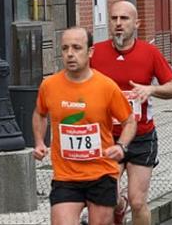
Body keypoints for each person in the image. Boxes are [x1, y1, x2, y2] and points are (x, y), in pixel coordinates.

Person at [90, 1, 172, 225]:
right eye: (114, 19)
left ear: (137, 23)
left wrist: (151, 89)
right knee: (107, 198)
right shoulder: (96, 53)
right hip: (108, 137)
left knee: (138, 200)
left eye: (124, 18)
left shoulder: (149, 53)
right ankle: (119, 208)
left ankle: (127, 207)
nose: (119, 24)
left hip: (141, 136)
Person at [33, 27, 137, 225]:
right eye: (65, 48)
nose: (70, 54)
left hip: (101, 173)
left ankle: (118, 206)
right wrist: (39, 141)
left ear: (90, 52)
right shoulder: (50, 85)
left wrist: (121, 145)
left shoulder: (106, 86)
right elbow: (40, 113)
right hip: (66, 176)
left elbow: (130, 121)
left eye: (76, 48)